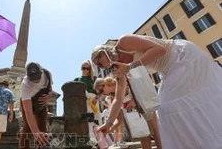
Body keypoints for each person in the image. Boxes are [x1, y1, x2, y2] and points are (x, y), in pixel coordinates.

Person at [91, 34, 222, 149]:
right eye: (97, 65)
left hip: (181, 56)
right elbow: (118, 99)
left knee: (168, 107)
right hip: (168, 70)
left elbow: (160, 50)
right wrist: (107, 124)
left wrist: (130, 66)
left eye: (98, 61)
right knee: (174, 107)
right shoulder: (117, 68)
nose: (99, 65)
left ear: (103, 52)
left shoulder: (124, 42)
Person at [94, 77, 161, 149]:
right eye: (99, 92)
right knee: (143, 135)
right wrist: (108, 128)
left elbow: (139, 87)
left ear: (106, 84)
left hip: (145, 106)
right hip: (135, 114)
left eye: (101, 91)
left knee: (155, 131)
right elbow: (119, 119)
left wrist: (133, 100)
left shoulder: (121, 80)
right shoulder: (112, 96)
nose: (101, 94)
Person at [19, 62, 53, 149]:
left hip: (41, 104)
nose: (36, 81)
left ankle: (41, 146)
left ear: (41, 72)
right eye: (33, 79)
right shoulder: (25, 84)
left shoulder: (47, 74)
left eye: (37, 77)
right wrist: (35, 131)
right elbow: (28, 111)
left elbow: (50, 89)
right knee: (27, 128)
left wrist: (49, 96)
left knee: (42, 127)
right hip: (28, 103)